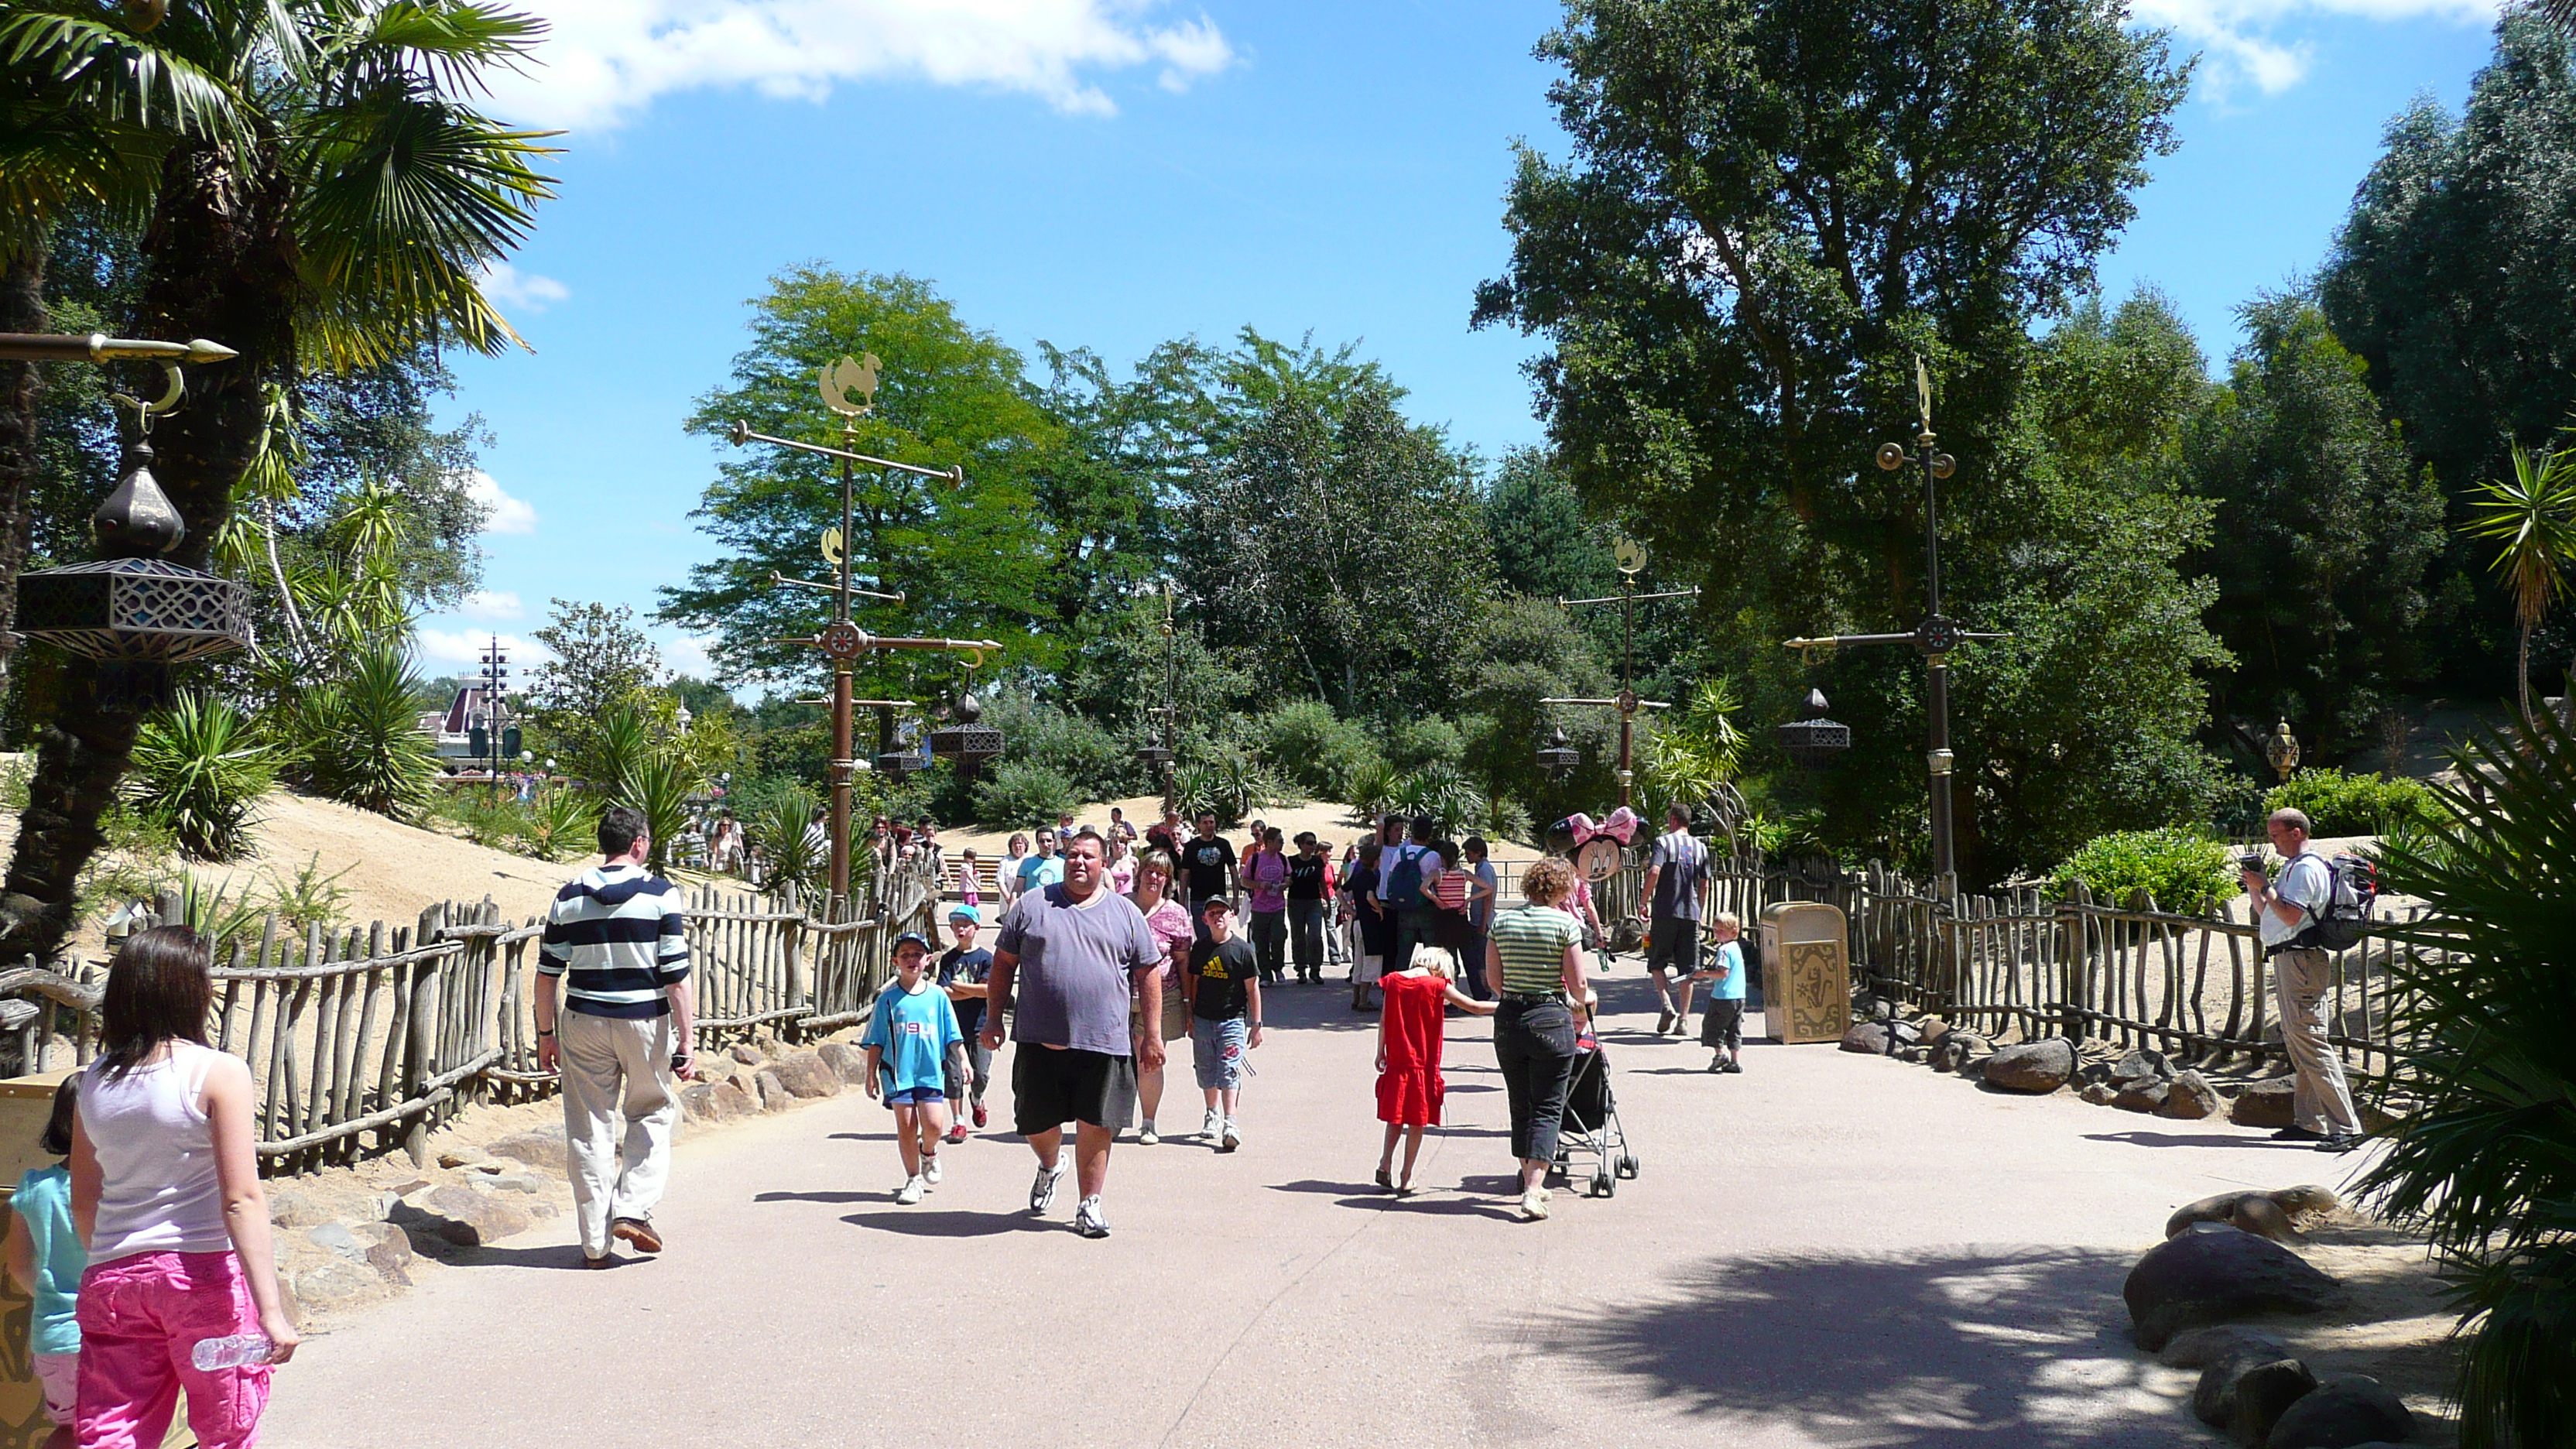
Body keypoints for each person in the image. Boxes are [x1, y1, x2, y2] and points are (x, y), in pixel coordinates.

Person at [70, 926, 297, 1449]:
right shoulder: (217, 1072)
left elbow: (84, 1196)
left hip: (114, 1277)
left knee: (112, 1431)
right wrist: (270, 1311)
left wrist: (114, 1261)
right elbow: (240, 1197)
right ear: (190, 990)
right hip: (202, 1280)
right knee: (227, 1427)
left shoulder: (94, 1081)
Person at [983, 831, 1166, 1238]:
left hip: (1106, 1041)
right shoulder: (1033, 905)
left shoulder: (1125, 913)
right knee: (1033, 1122)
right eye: (1073, 855)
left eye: (1089, 856)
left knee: (1096, 1124)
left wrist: (1152, 1034)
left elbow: (1148, 974)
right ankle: (1050, 1164)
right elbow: (1002, 965)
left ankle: (1089, 1205)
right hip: (1039, 1040)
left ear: (1105, 864)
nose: (1079, 862)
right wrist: (993, 1018)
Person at [536, 804, 697, 1268]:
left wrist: (546, 1033)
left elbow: (548, 973)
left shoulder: (568, 895)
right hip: (644, 1021)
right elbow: (676, 976)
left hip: (583, 1020)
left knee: (588, 1129)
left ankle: (594, 1243)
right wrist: (687, 1040)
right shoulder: (661, 895)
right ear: (639, 844)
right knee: (650, 1110)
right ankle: (632, 1208)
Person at [2242, 808, 2363, 1152]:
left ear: (2297, 833)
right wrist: (2257, 887)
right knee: (2299, 1040)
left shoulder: (2307, 868)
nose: (2272, 841)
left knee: (2309, 1040)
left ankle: (2347, 1127)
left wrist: (2265, 886)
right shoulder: (2293, 868)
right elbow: (2271, 914)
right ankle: (2310, 1122)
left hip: (2300, 960)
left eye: (2276, 834)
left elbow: (2292, 914)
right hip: (2291, 958)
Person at [1485, 857, 1589, 1222]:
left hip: (1510, 1018)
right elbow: (1577, 985)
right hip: (1549, 1017)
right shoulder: (1565, 924)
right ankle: (1533, 1189)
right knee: (1548, 1104)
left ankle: (1531, 1176)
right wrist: (1584, 997)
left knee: (1521, 1102)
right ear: (1561, 889)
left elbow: (1494, 982)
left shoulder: (1502, 921)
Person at [1374, 951, 1495, 1194]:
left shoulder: (1394, 980)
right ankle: (1406, 1176)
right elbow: (1474, 1006)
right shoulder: (1436, 985)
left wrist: (1381, 1052)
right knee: (1417, 1121)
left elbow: (1384, 1019)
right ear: (1440, 967)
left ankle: (1385, 1163)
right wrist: (1508, 1007)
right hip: (1423, 1062)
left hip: (1397, 1059)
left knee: (1395, 1116)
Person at [863, 933, 968, 1205]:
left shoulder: (937, 997)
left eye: (918, 954)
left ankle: (929, 1153)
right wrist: (870, 1075)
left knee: (934, 1125)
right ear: (895, 960)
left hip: (931, 1071)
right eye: (906, 955)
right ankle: (913, 1180)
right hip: (898, 1074)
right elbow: (876, 1040)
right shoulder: (887, 1000)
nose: (912, 960)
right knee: (906, 1126)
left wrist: (965, 1061)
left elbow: (953, 1035)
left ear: (928, 960)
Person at [8, 1080, 82, 1448]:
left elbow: (19, 1266)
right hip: (117, 1333)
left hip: (54, 1336)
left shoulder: (34, 1187)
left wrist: (52, 1299)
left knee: (68, 1429)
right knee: (120, 1425)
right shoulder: (121, 1188)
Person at [1184, 899, 1263, 1152]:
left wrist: (1257, 1025)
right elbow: (1193, 983)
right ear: (1204, 919)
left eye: (1222, 912)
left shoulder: (1242, 950)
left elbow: (1253, 989)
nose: (1217, 917)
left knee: (1228, 1069)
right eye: (1211, 913)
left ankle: (1231, 1122)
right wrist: (1190, 1016)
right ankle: (1212, 1114)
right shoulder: (1200, 949)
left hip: (1232, 1022)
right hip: (1204, 1020)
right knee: (1206, 1070)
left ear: (1231, 915)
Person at [1128, 851, 1194, 1146]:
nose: (1154, 878)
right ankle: (1112, 1118)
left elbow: (1183, 962)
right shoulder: (1121, 906)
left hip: (1160, 995)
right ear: (1140, 872)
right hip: (1116, 995)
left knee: (1149, 1060)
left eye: (1161, 874)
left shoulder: (1176, 914)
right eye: (1150, 871)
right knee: (1112, 1061)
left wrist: (1188, 1004)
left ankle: (1148, 1122)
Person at [1643, 804, 1712, 1036]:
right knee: (1687, 969)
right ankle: (1683, 1019)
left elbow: (1654, 871)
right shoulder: (1701, 848)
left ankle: (1666, 1004)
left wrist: (1644, 901)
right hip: (1690, 914)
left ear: (1673, 820)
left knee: (1657, 963)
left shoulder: (1663, 843)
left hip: (1665, 912)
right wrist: (1699, 913)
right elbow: (1704, 884)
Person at [938, 908, 995, 1141]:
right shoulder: (949, 959)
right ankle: (958, 1121)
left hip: (982, 1025)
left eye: (966, 924)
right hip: (953, 1026)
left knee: (981, 1073)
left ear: (977, 928)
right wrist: (971, 991)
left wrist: (959, 987)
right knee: (953, 1075)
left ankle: (977, 1100)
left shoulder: (986, 958)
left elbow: (987, 991)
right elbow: (944, 992)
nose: (961, 929)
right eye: (956, 925)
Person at [1382, 816, 1444, 988]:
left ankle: (1395, 991)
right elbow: (1438, 882)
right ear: (1429, 833)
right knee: (1431, 953)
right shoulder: (1433, 856)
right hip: (1426, 908)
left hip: (1404, 908)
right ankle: (1432, 991)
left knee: (1403, 954)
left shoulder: (1399, 853)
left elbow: (1390, 878)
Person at [1694, 912, 1747, 1073]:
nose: (1717, 934)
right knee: (1734, 1028)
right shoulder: (1736, 948)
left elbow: (1723, 973)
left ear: (1733, 932)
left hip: (1723, 996)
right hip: (1739, 996)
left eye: (1721, 931)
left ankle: (1720, 1055)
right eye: (1715, 930)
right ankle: (1735, 1060)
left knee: (1713, 1026)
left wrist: (1704, 974)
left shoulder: (1723, 950)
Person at [1180, 814, 1238, 941]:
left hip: (1219, 899)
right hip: (1198, 899)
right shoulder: (1191, 847)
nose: (1209, 826)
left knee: (1220, 936)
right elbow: (1185, 874)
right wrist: (1182, 901)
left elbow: (1234, 872)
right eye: (1205, 823)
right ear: (1198, 825)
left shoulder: (1223, 844)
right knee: (1203, 939)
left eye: (1211, 822)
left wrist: (1235, 899)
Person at [1245, 826, 1291, 985]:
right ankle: (1265, 975)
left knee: (1279, 938)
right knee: (1261, 942)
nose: (1282, 843)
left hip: (1277, 906)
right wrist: (1260, 885)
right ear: (1270, 842)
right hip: (1259, 908)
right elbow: (1245, 881)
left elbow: (1289, 877)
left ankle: (1277, 967)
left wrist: (1284, 885)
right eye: (1280, 841)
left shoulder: (1283, 859)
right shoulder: (1255, 859)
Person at [1349, 840, 1392, 1012]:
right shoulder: (1372, 877)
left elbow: (1339, 892)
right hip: (1370, 924)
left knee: (1358, 961)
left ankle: (1356, 997)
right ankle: (1364, 1000)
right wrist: (1379, 909)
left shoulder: (1358, 875)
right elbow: (1369, 896)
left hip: (1358, 921)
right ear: (1376, 861)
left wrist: (1350, 910)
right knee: (1371, 961)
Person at [1286, 832, 1331, 984]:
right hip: (1296, 902)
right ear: (1301, 845)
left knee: (1315, 936)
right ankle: (1300, 969)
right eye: (1309, 843)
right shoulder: (1291, 861)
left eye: (1314, 843)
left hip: (1314, 902)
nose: (1313, 846)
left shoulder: (1318, 861)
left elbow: (1322, 882)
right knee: (1298, 936)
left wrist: (1327, 901)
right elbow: (1286, 880)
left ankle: (1315, 969)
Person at [1461, 836, 1500, 1002]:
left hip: (1482, 921)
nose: (1467, 856)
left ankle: (1487, 991)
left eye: (1469, 853)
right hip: (1479, 920)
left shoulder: (1484, 870)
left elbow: (1487, 898)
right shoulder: (1481, 868)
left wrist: (1483, 923)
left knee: (1482, 959)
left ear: (1478, 853)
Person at [1016, 829, 1064, 897]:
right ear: (1037, 842)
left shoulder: (1063, 864)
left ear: (1054, 842)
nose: (1046, 844)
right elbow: (1017, 890)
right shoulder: (1027, 863)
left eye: (1049, 841)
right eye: (1042, 841)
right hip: (1032, 905)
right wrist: (1012, 907)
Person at [998, 833, 1031, 909]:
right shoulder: (1005, 861)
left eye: (1020, 844)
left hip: (1028, 902)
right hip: (1008, 903)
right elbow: (1000, 881)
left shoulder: (1031, 859)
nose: (1017, 846)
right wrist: (1007, 897)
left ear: (1025, 846)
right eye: (1015, 844)